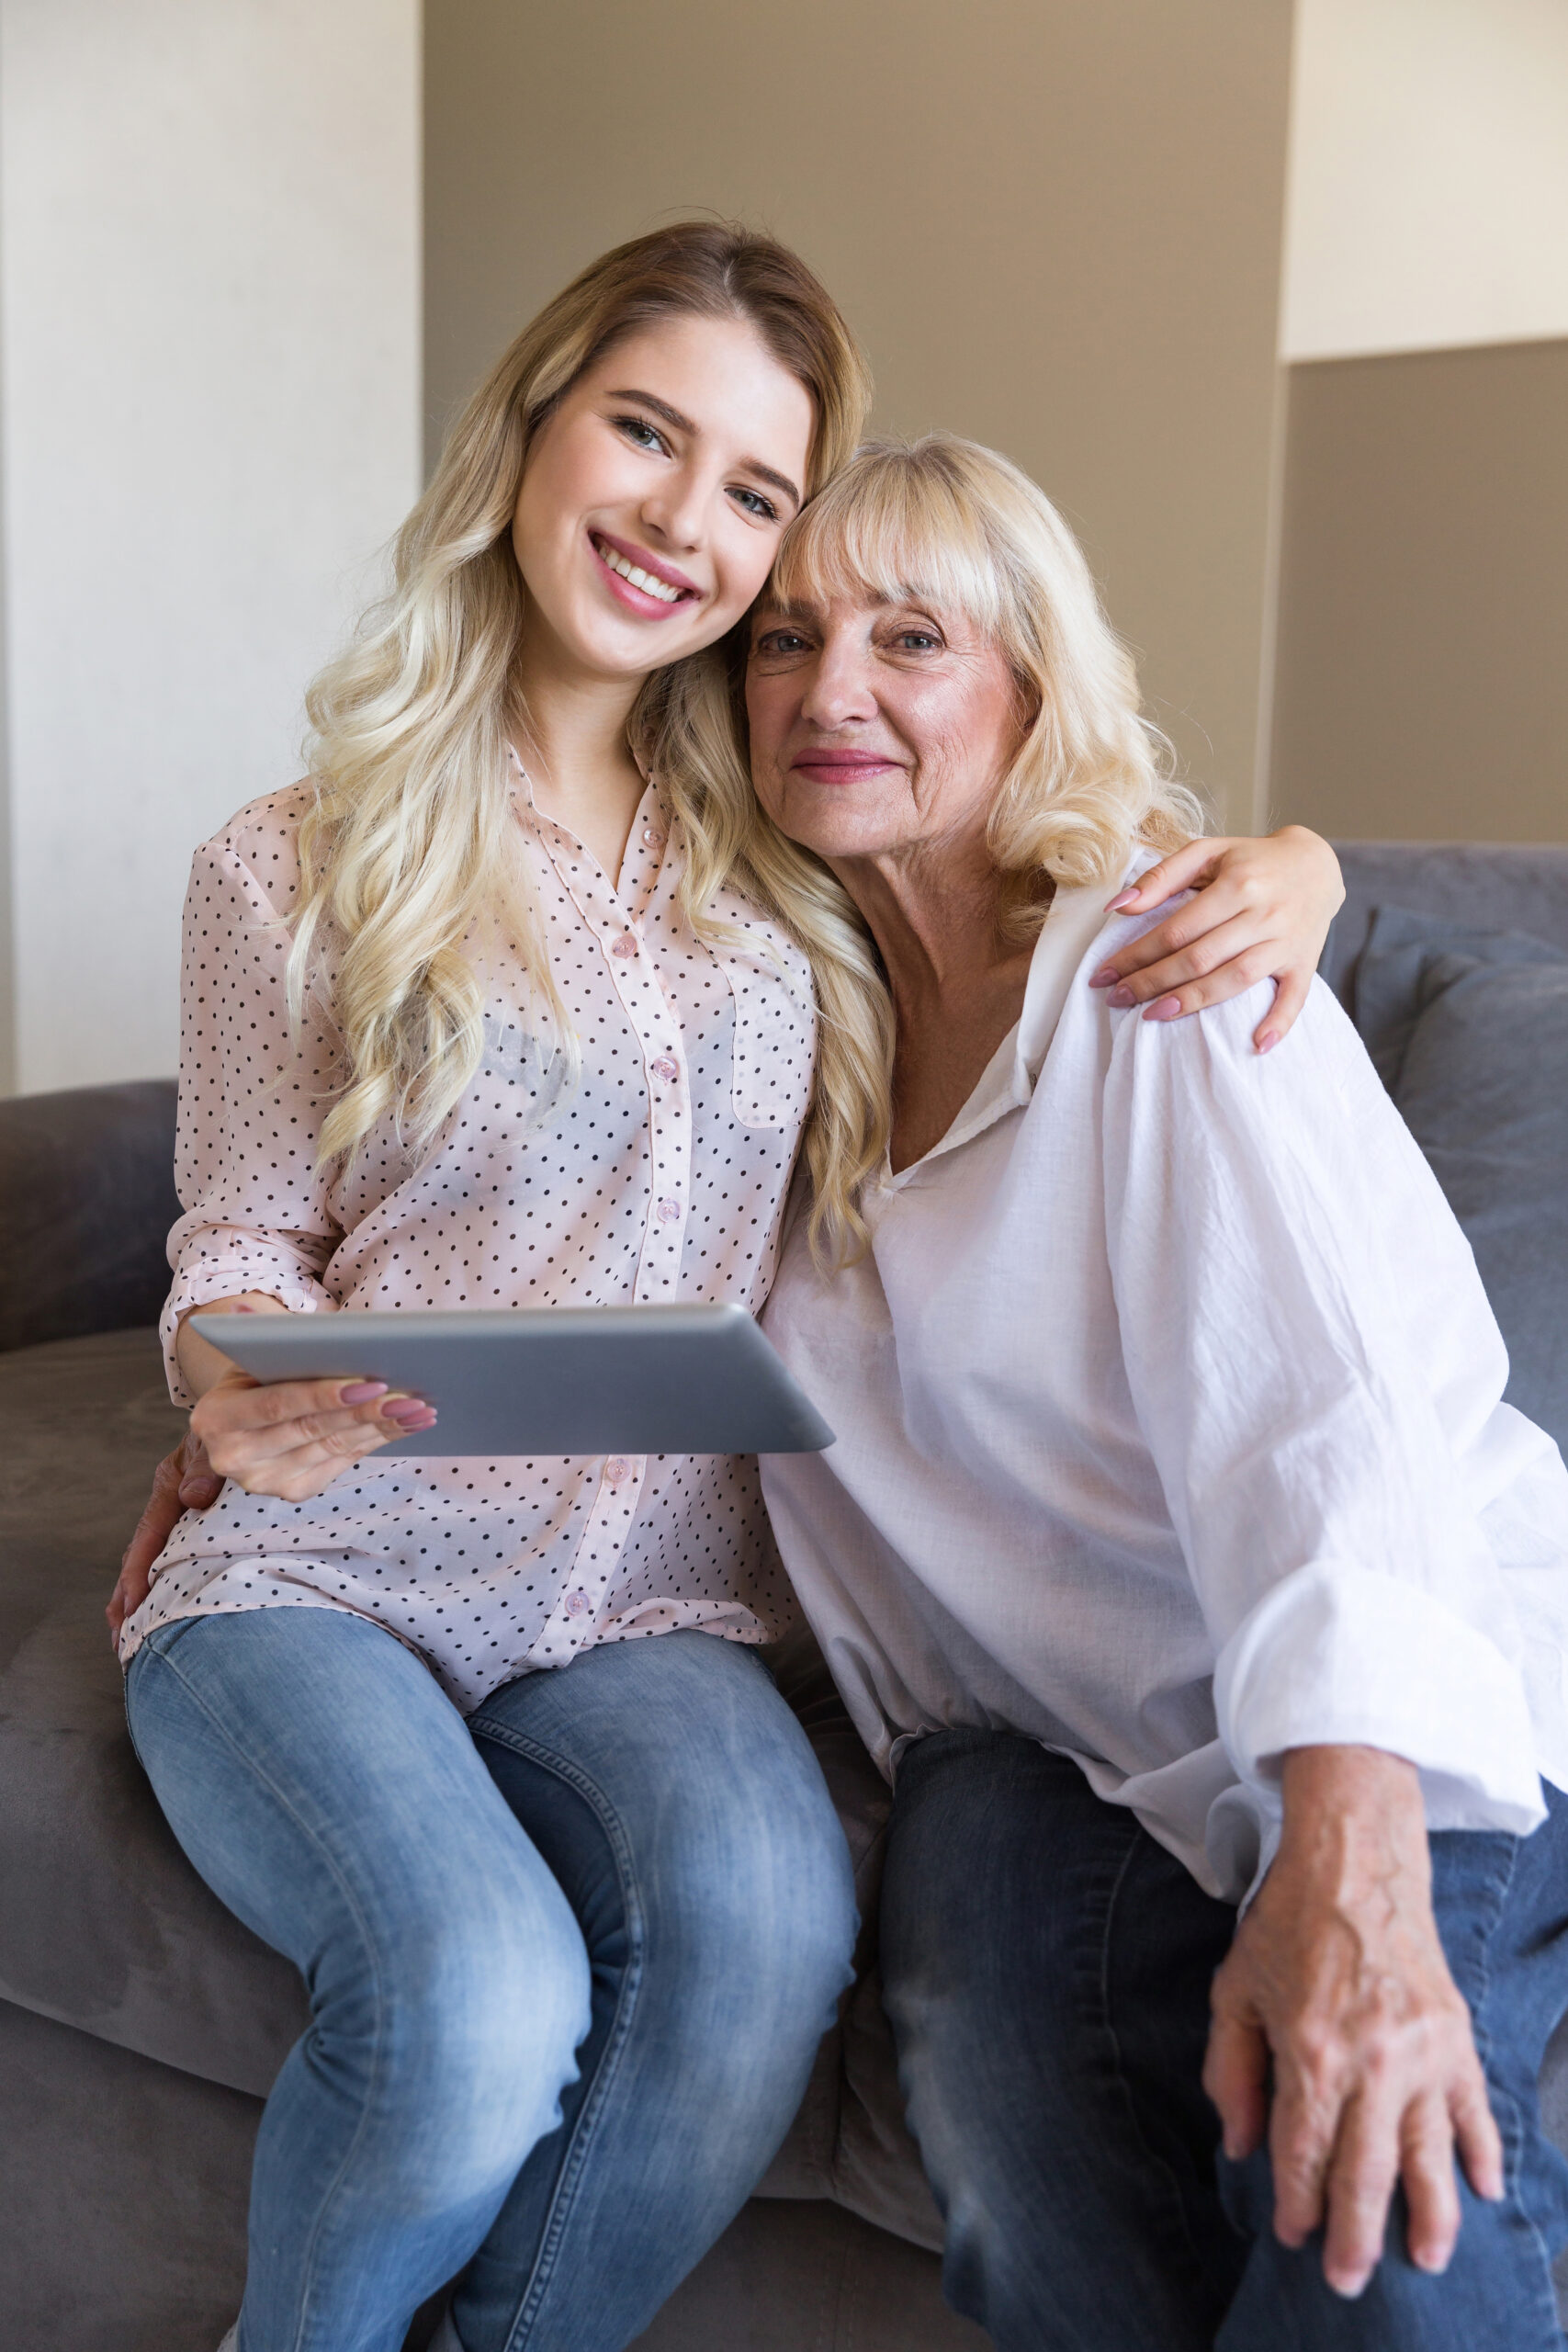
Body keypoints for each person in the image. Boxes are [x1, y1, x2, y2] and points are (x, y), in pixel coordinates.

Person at [108, 224, 1345, 2352]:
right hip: (325, 1560)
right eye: (643, 432)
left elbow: (1068, 839)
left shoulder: (799, 843)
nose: (684, 521)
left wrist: (1314, 867)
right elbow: (233, 1233)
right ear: (533, 428)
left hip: (650, 1595)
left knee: (771, 1923)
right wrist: (224, 1388)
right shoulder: (284, 860)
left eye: (753, 491)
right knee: (478, 1996)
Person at [740, 432, 1568, 2352]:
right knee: (1046, 2208)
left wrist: (1348, 1849)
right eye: (783, 640)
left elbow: (1323, 1418)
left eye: (908, 637)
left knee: (1359, 2207)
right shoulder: (786, 1043)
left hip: (1409, 1680)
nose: (827, 688)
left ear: (1025, 687)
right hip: (1077, 1753)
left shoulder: (1157, 964)